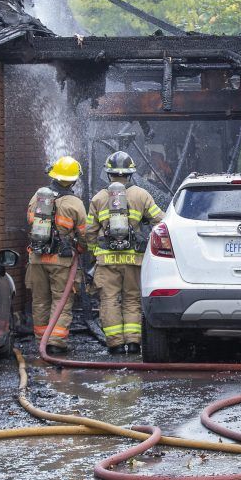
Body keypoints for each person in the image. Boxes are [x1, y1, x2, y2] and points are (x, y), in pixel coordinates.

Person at [86, 151, 164, 355]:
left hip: (106, 261)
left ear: (109, 174)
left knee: (109, 300)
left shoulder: (99, 198)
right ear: (130, 174)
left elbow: (89, 232)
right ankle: (133, 342)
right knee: (132, 299)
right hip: (134, 260)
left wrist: (94, 253)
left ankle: (116, 344)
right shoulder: (141, 195)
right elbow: (161, 221)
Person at [25, 155, 87, 355]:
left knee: (40, 300)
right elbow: (84, 233)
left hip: (36, 258)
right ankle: (55, 342)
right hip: (62, 261)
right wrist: (82, 248)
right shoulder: (74, 204)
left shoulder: (38, 197)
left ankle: (40, 340)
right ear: (74, 180)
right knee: (61, 299)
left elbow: (29, 220)